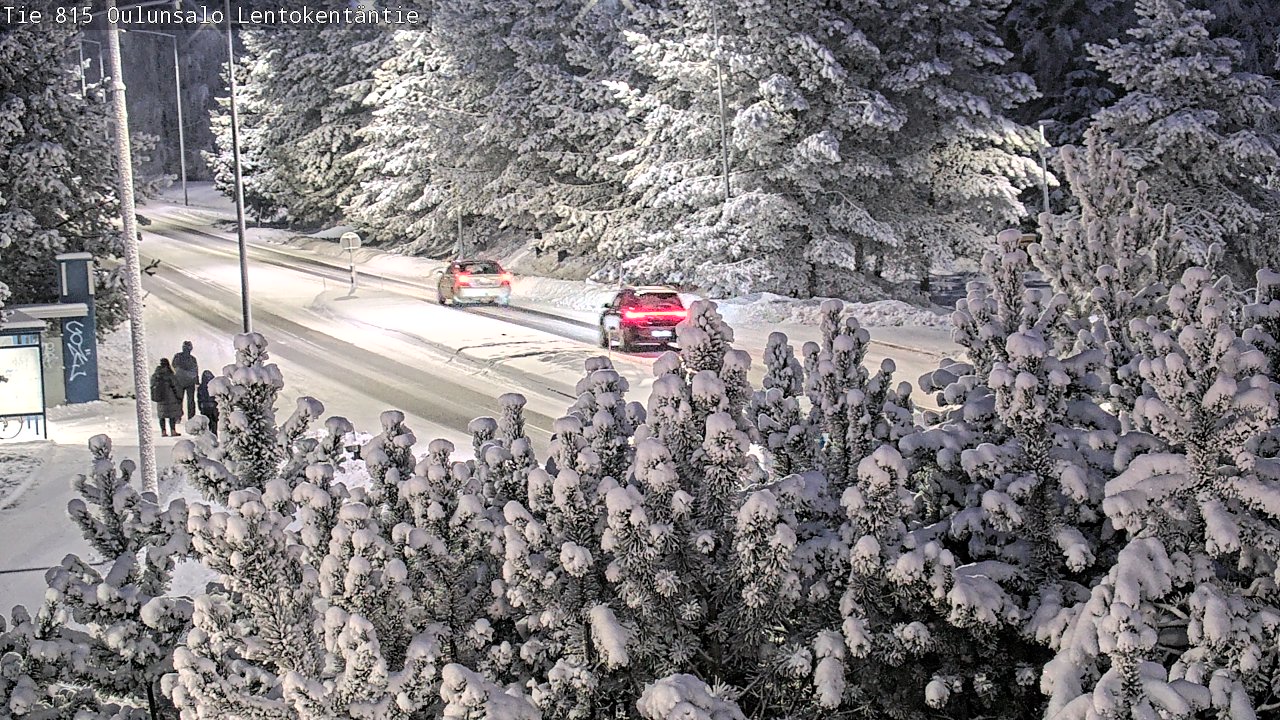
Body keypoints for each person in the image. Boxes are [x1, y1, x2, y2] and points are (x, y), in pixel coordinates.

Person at [149, 358, 183, 437]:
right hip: (171, 398)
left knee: (162, 416)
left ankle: (163, 431)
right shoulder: (170, 375)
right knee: (171, 415)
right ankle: (173, 431)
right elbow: (176, 386)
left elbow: (152, 384)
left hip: (160, 398)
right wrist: (179, 397)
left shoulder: (156, 375)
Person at [172, 340, 199, 420]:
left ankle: (178, 417)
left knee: (179, 399)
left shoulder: (178, 356)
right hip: (190, 382)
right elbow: (196, 370)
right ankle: (191, 417)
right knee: (190, 400)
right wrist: (196, 380)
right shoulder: (192, 359)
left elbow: (174, 366)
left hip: (179, 381)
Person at [197, 370, 218, 434]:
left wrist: (200, 407)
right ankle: (214, 434)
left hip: (204, 407)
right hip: (213, 407)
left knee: (206, 423)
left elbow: (199, 398)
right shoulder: (215, 385)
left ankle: (207, 435)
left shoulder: (201, 387)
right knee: (214, 422)